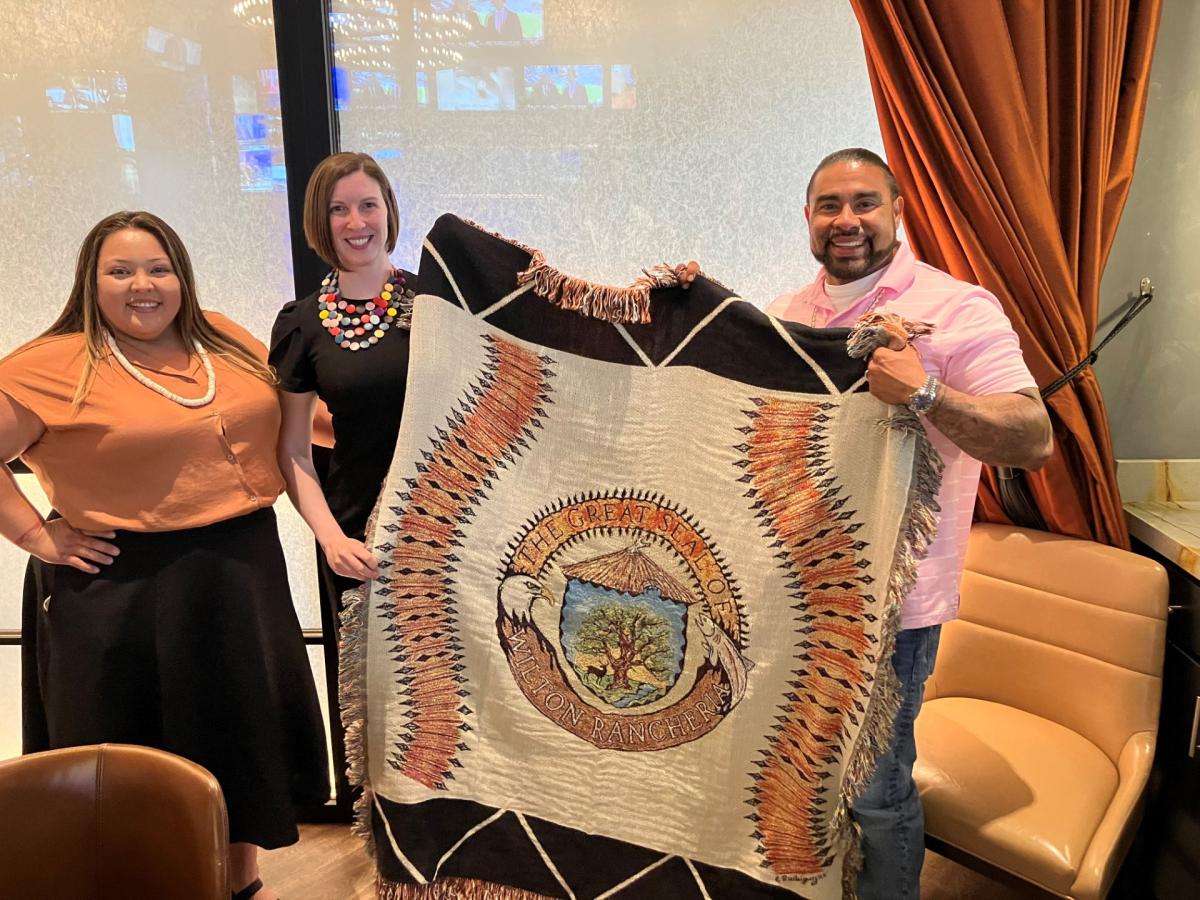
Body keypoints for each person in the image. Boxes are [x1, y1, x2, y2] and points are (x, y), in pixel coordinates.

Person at [0, 210, 329, 900]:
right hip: (117, 583)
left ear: (181, 274)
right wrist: (36, 534)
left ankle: (240, 884)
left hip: (237, 568)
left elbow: (298, 424)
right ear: (91, 283)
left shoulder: (227, 339)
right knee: (128, 754)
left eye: (157, 268)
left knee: (238, 730)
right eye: (119, 271)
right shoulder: (49, 366)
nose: (141, 285)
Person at [767, 148, 1053, 898]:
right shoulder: (790, 314)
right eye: (829, 206)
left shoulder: (959, 309)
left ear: (897, 212)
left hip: (895, 609)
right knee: (800, 774)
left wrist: (925, 392)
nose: (847, 221)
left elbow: (1033, 437)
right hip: (801, 593)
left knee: (875, 789)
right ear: (808, 219)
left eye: (865, 203)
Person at [269, 152, 417, 800]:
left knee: (450, 684)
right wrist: (329, 538)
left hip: (447, 524)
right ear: (319, 224)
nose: (356, 221)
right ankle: (384, 834)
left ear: (388, 211)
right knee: (373, 693)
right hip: (357, 530)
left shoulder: (436, 302)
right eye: (339, 209)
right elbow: (295, 453)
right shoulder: (302, 324)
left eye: (367, 204)